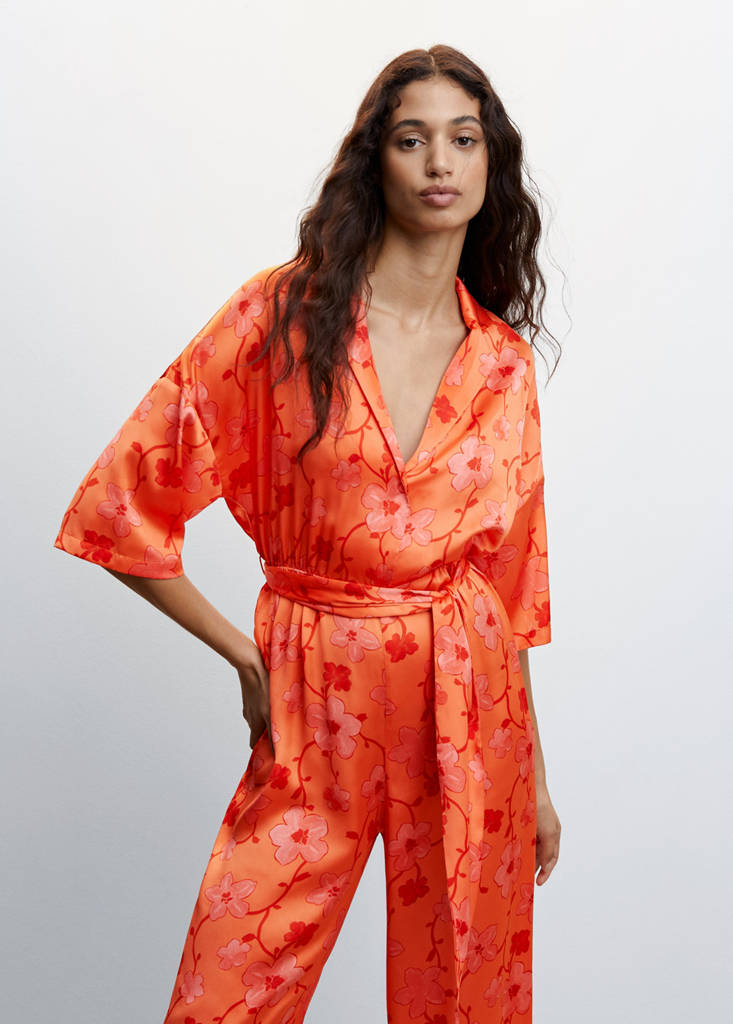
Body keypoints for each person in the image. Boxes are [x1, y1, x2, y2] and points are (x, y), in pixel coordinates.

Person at [53, 44, 562, 1024]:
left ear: (491, 164)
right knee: (230, 988)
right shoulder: (281, 318)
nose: (440, 163)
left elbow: (510, 587)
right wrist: (245, 657)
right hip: (313, 686)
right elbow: (120, 505)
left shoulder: (501, 364)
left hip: (471, 699)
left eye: (464, 140)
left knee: (467, 994)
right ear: (376, 161)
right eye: (412, 140)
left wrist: (534, 776)